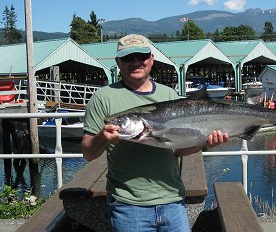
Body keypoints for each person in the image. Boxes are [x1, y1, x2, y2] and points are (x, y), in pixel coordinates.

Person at [81, 34, 229, 232]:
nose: (135, 62)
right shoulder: (102, 98)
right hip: (128, 205)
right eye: (127, 58)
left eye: (140, 56)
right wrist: (101, 137)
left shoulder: (168, 95)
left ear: (151, 59)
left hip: (173, 200)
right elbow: (88, 154)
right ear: (118, 62)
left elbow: (178, 150)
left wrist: (205, 143)